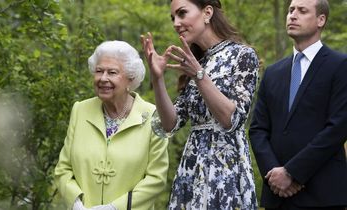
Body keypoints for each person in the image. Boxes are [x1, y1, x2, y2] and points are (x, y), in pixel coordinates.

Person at [141, 0, 259, 209]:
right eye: (173, 18)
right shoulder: (196, 62)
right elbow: (170, 124)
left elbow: (232, 119)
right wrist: (157, 78)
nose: (176, 23)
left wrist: (199, 75)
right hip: (192, 169)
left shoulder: (242, 55)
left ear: (207, 13)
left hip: (226, 171)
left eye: (182, 13)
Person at [249, 0, 347, 209]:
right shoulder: (273, 72)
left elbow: (338, 128)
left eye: (302, 11)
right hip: (277, 195)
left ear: (321, 20)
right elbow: (258, 129)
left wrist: (293, 173)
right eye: (290, 10)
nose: (293, 15)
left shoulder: (340, 66)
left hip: (322, 194)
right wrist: (274, 174)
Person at [54, 40, 169, 210]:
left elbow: (156, 178)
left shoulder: (152, 116)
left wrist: (115, 208)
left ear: (131, 78)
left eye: (112, 72)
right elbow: (63, 168)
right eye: (99, 71)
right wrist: (76, 203)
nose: (103, 78)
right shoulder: (80, 110)